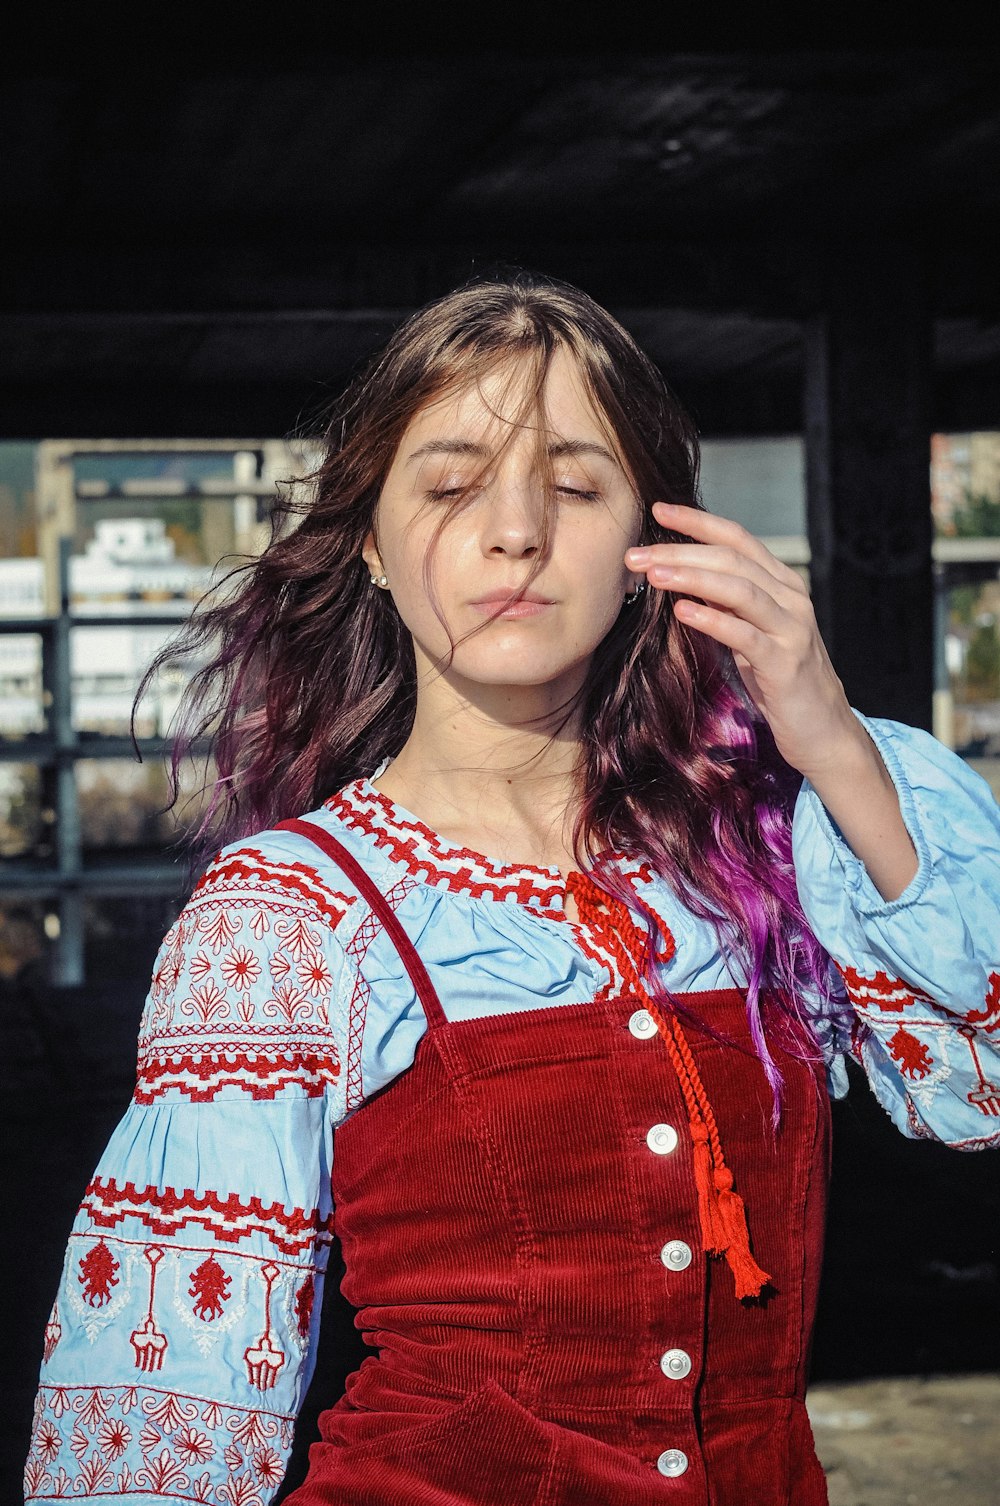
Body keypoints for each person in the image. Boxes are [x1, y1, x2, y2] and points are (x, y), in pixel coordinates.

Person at [24, 275, 1000, 1506]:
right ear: (370, 544)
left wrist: (834, 743)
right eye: (449, 484)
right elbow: (168, 1399)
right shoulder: (288, 914)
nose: (517, 531)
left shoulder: (770, 851)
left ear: (656, 552)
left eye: (578, 486)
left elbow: (980, 1091)